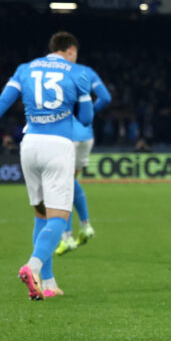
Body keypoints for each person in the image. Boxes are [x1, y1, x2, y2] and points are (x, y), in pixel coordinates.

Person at [0, 32, 93, 299]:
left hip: (30, 145)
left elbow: (3, 101)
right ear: (70, 51)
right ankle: (33, 267)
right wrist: (83, 96)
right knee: (59, 218)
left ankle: (47, 285)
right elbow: (85, 119)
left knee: (41, 215)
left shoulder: (25, 69)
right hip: (57, 146)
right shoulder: (75, 72)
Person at [55, 62, 112, 255]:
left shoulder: (53, 73)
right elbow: (105, 97)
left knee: (64, 185)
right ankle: (86, 225)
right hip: (86, 135)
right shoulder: (87, 72)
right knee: (70, 182)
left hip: (67, 135)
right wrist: (87, 113)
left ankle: (67, 237)